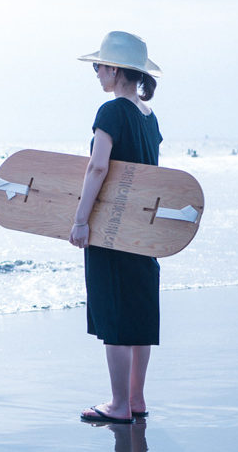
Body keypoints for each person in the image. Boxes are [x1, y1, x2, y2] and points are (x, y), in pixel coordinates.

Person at [69, 31, 163, 424]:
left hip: (111, 229)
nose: (95, 73)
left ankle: (118, 405)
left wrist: (80, 220)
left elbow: (98, 167)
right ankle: (135, 399)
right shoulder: (149, 116)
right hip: (143, 230)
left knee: (115, 316)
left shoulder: (110, 112)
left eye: (98, 66)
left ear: (114, 69)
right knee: (139, 314)